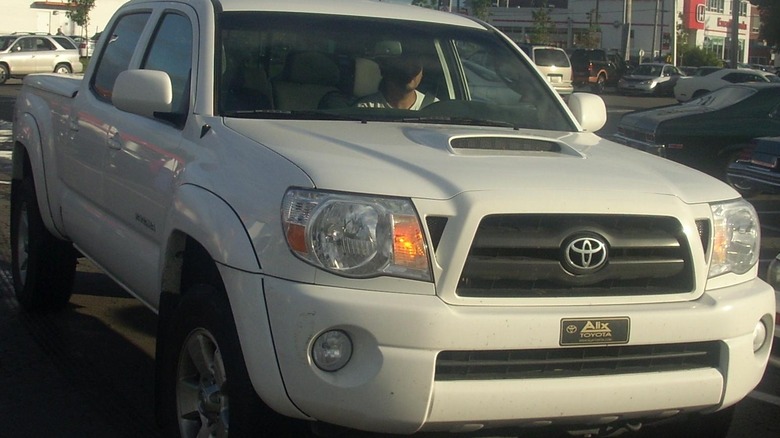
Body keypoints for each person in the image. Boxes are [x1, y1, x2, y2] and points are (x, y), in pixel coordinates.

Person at [355, 55, 435, 110]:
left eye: (415, 68)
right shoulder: (365, 108)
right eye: (403, 68)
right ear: (385, 70)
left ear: (422, 73)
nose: (409, 73)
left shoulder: (434, 108)